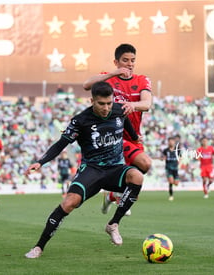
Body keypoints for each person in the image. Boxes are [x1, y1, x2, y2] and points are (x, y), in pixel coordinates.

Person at [24, 81, 143, 259]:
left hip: (115, 169)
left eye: (109, 103)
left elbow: (125, 124)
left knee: (137, 177)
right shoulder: (81, 121)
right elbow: (60, 144)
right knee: (68, 203)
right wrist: (41, 162)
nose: (106, 108)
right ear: (92, 101)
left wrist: (135, 137)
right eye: (101, 104)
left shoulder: (119, 110)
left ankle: (113, 224)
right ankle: (39, 247)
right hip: (92, 170)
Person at [83, 43, 152, 214]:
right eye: (125, 60)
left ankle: (112, 196)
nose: (129, 64)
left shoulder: (142, 80)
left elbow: (146, 103)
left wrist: (132, 105)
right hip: (113, 137)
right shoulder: (109, 78)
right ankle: (116, 198)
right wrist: (113, 73)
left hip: (133, 135)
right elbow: (86, 85)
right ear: (116, 62)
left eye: (132, 60)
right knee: (144, 163)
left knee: (141, 170)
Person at [162, 135, 181, 201]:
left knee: (176, 183)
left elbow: (180, 158)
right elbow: (163, 158)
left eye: (172, 141)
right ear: (168, 142)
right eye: (169, 141)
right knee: (171, 181)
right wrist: (163, 158)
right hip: (168, 168)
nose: (171, 142)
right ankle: (171, 195)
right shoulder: (165, 150)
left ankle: (173, 182)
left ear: (174, 142)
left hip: (175, 168)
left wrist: (179, 162)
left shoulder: (177, 150)